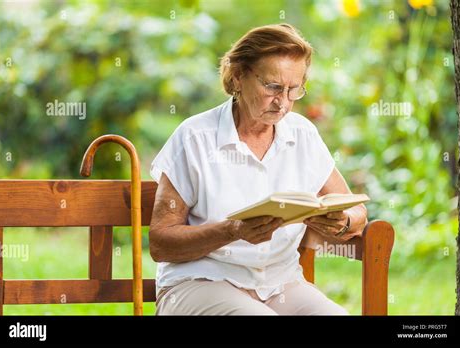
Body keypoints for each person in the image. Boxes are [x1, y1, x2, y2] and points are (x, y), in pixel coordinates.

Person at [149, 23, 368, 315]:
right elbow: (161, 243)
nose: (283, 103)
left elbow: (357, 213)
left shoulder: (302, 134)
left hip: (281, 284)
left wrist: (341, 223)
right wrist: (233, 230)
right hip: (200, 282)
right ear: (238, 76)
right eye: (273, 87)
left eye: (294, 90)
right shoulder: (195, 137)